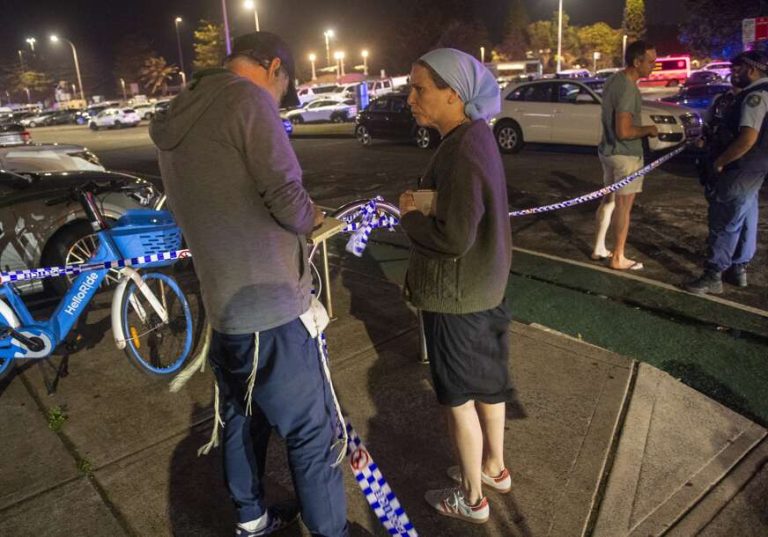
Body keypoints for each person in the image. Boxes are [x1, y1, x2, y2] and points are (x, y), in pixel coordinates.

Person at [149, 32, 348, 537]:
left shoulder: (180, 112)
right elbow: (286, 197)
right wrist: (315, 217)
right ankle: (330, 530)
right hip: (271, 306)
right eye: (284, 86)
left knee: (241, 417)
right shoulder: (248, 101)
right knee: (311, 432)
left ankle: (251, 519)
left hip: (224, 305)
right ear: (274, 67)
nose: (280, 98)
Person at [398, 48, 513, 525]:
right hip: (487, 288)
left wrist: (410, 216)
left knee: (457, 398)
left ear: (454, 94)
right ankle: (494, 467)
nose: (410, 99)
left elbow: (453, 236)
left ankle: (472, 497)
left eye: (419, 88)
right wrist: (434, 200)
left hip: (456, 296)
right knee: (490, 386)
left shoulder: (461, 148)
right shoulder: (478, 137)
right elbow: (471, 208)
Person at [685, 51, 768, 294]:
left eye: (739, 68)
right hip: (755, 169)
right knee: (746, 217)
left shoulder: (755, 97)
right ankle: (738, 268)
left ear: (752, 70)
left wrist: (721, 161)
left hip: (740, 168)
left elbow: (748, 138)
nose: (734, 73)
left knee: (724, 221)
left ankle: (713, 274)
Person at [591, 40, 659, 270]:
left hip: (607, 151)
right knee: (623, 206)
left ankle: (599, 247)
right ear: (636, 61)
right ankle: (618, 256)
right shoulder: (629, 88)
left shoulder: (613, 80)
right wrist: (648, 130)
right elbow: (625, 131)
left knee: (609, 200)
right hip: (626, 155)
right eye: (650, 62)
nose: (654, 66)